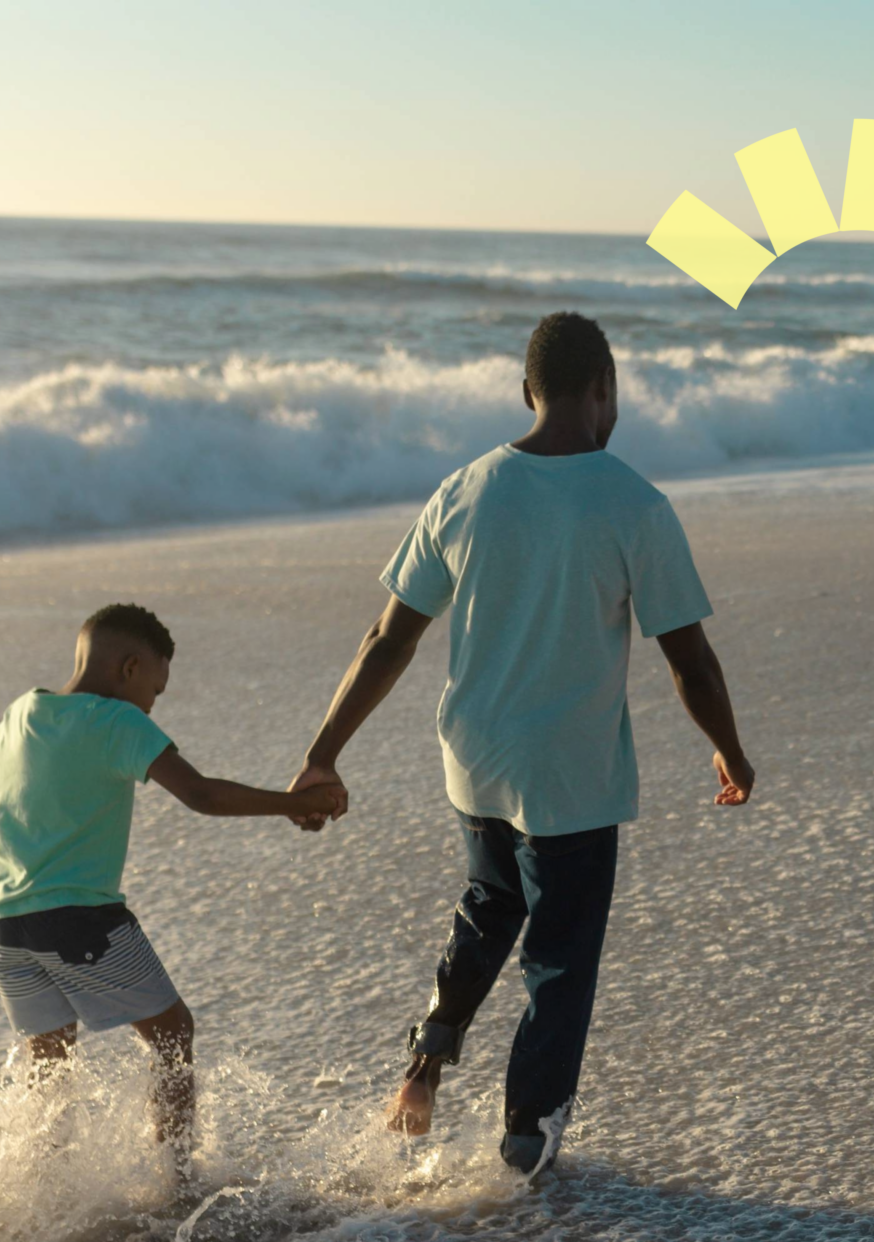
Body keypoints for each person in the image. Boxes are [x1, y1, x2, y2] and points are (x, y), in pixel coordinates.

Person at [290, 310, 754, 1178]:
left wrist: (325, 751)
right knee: (559, 961)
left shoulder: (464, 489)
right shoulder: (634, 504)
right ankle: (523, 1149)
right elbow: (688, 659)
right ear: (602, 392)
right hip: (570, 781)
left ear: (526, 390)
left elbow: (387, 638)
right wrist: (728, 748)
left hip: (476, 762)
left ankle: (423, 1067)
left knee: (487, 903)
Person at [0, 603, 345, 1159]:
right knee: (172, 1034)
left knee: (49, 1068)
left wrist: (49, 804)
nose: (153, 703)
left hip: (6, 925)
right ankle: (176, 1183)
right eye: (156, 689)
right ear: (130, 668)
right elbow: (201, 795)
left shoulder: (24, 712)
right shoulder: (119, 721)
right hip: (80, 919)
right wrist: (293, 804)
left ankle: (40, 1195)